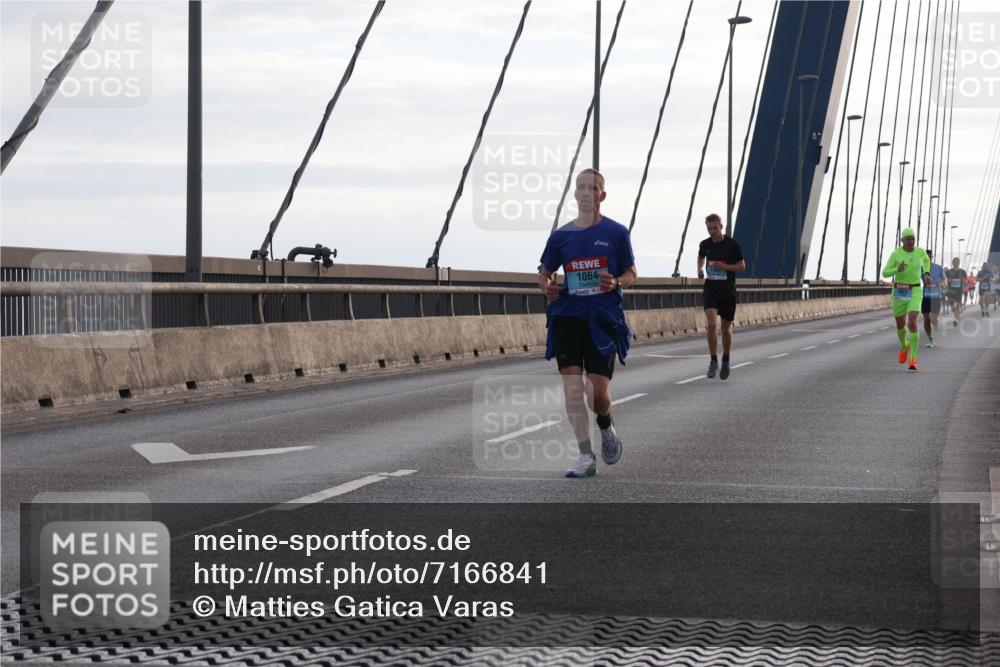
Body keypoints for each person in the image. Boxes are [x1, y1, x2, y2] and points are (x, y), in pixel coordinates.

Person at [539, 168, 637, 478]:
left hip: (602, 319)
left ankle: (606, 425)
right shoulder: (561, 236)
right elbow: (544, 272)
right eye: (580, 187)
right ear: (574, 194)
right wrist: (547, 286)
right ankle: (585, 455)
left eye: (592, 188)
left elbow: (631, 273)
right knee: (572, 391)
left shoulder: (616, 233)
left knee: (596, 393)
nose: (585, 192)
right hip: (568, 317)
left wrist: (616, 282)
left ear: (601, 196)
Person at [697, 213, 745, 380]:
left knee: (725, 328)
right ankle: (713, 361)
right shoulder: (705, 244)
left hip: (727, 291)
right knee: (711, 324)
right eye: (709, 228)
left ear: (721, 227)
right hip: (711, 289)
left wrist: (723, 266)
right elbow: (701, 256)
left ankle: (726, 359)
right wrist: (700, 269)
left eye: (715, 228)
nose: (712, 231)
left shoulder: (732, 245)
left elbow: (742, 267)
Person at [882, 228, 930, 371]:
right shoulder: (896, 254)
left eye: (913, 238)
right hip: (900, 290)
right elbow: (885, 273)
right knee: (900, 323)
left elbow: (926, 260)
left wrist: (927, 273)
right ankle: (904, 346)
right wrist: (897, 269)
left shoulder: (920, 252)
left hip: (915, 289)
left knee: (912, 322)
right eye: (908, 239)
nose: (911, 241)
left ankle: (913, 359)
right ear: (902, 240)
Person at [921, 250, 945, 347]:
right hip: (926, 296)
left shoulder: (938, 268)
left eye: (929, 256)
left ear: (932, 257)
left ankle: (936, 323)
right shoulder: (921, 268)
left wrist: (940, 284)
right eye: (926, 257)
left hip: (936, 297)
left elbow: (944, 280)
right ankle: (930, 339)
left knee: (933, 319)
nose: (928, 258)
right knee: (926, 320)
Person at [944, 257, 967, 326]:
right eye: (955, 261)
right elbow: (945, 281)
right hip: (950, 291)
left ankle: (956, 320)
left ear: (959, 263)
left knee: (957, 306)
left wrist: (963, 281)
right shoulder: (948, 272)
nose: (956, 263)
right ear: (952, 263)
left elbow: (966, 281)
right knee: (953, 307)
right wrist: (948, 281)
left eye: (958, 262)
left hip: (958, 291)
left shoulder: (963, 271)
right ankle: (956, 316)